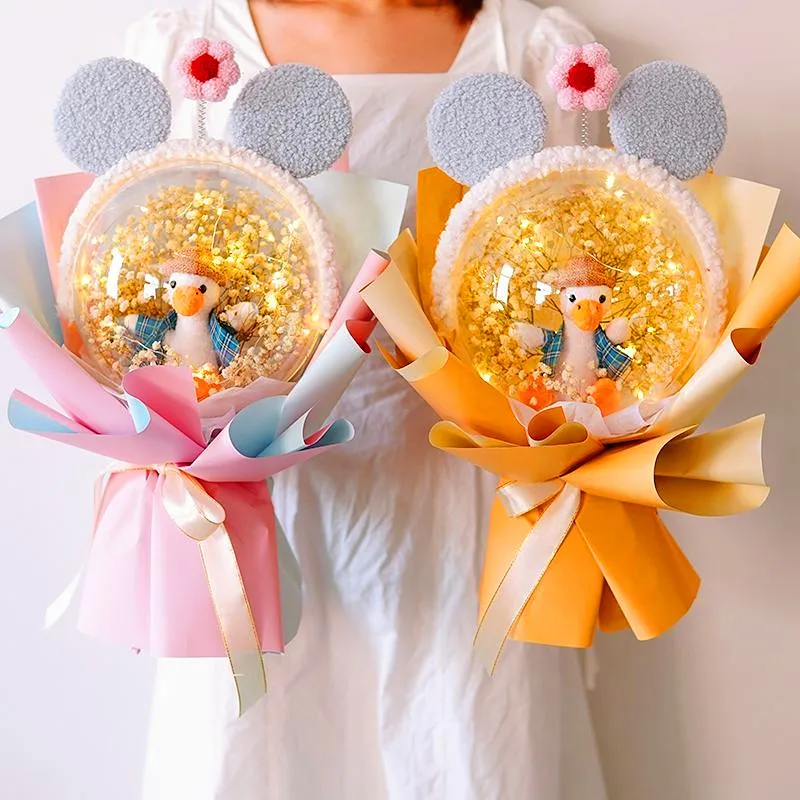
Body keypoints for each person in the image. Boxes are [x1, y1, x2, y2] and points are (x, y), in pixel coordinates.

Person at [126, 1, 607, 797]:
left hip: (466, 511)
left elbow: (590, 281)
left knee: (465, 744)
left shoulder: (534, 53)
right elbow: (126, 296)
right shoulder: (189, 47)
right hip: (249, 508)